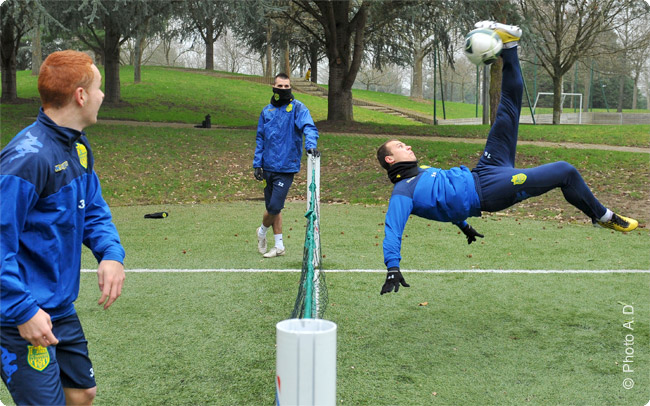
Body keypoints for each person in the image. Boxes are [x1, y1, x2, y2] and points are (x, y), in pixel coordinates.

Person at [376, 21, 638, 295]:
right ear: (390, 160)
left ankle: (510, 46)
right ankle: (603, 216)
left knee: (508, 107)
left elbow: (442, 201)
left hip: (485, 170)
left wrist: (464, 226)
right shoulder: (402, 193)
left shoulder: (422, 172)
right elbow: (393, 230)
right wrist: (392, 266)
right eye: (399, 146)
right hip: (490, 192)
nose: (407, 146)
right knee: (565, 171)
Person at [0, 50, 126, 405]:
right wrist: (22, 311)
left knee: (83, 393)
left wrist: (111, 254)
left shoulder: (78, 148)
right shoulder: (28, 159)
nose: (103, 96)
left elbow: (94, 210)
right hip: (17, 313)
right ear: (81, 95)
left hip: (58, 307)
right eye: (98, 88)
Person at [253, 73, 320, 258]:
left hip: (286, 167)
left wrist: (311, 146)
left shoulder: (298, 108)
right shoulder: (267, 111)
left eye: (286, 86)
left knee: (274, 207)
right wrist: (257, 163)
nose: (283, 89)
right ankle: (279, 245)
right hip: (268, 167)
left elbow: (309, 127)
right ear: (274, 87)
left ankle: (261, 232)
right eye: (280, 86)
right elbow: (260, 138)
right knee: (274, 207)